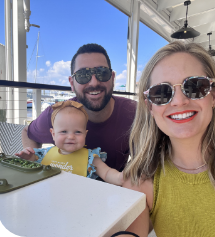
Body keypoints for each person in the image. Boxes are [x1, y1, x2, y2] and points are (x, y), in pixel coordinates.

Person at [114, 42, 215, 237]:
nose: (179, 101)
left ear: (214, 96)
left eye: (194, 86)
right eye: (161, 92)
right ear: (150, 107)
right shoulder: (141, 179)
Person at [21, 43, 136, 174]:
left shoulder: (134, 113)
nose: (94, 82)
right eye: (83, 75)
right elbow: (28, 133)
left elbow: (146, 161)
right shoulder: (58, 113)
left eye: (102, 73)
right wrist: (33, 169)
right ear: (72, 83)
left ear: (113, 78)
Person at [16, 100, 123, 185]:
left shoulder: (90, 158)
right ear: (53, 134)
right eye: (63, 131)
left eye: (78, 132)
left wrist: (119, 177)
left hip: (78, 202)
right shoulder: (43, 154)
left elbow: (107, 173)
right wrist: (29, 159)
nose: (71, 136)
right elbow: (31, 170)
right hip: (49, 199)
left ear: (85, 134)